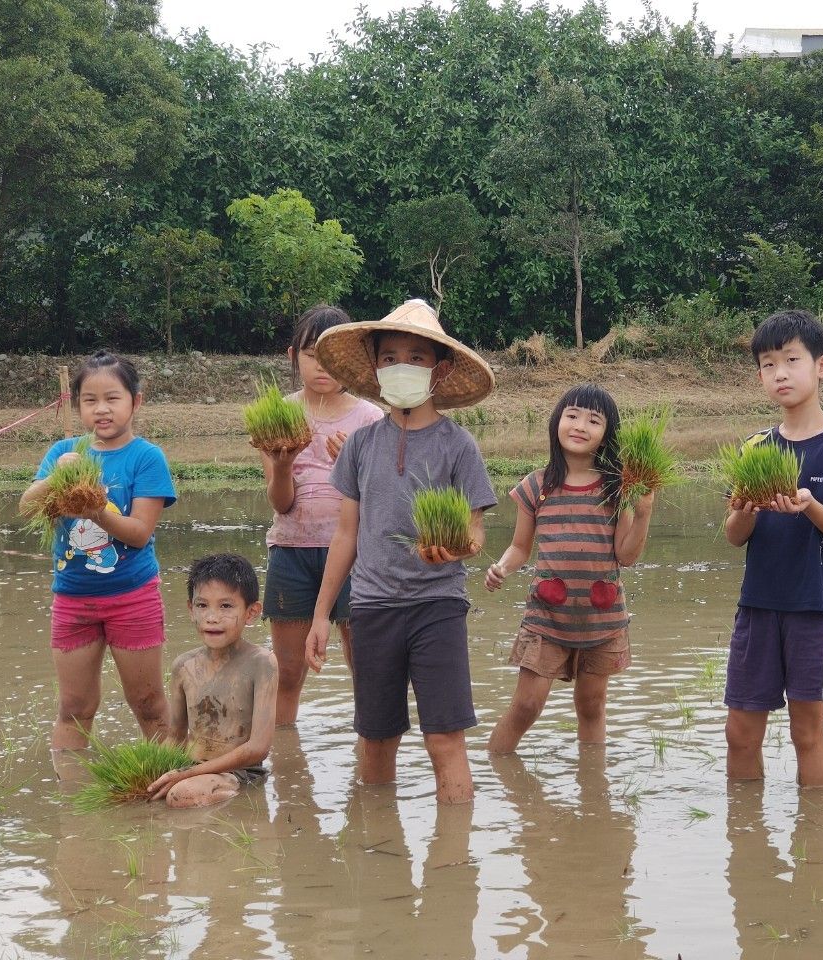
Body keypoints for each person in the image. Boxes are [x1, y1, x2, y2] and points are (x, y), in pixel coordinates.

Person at [305, 299, 497, 804]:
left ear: (441, 368)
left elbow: (476, 535)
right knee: (376, 737)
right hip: (372, 607)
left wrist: (455, 548)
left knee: (444, 738)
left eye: (415, 357)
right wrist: (322, 614)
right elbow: (346, 535)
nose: (400, 367)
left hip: (438, 606)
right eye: (389, 358)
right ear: (375, 368)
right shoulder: (361, 445)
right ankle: (377, 847)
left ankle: (454, 863)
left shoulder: (459, 446)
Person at [723, 310, 823, 787]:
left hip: (814, 606)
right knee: (739, 732)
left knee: (808, 732)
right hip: (757, 605)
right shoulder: (753, 448)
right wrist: (746, 508)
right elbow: (734, 534)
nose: (779, 373)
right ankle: (745, 838)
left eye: (791, 360)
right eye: (767, 364)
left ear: (822, 366)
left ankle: (814, 848)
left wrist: (809, 505)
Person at [20, 351, 176, 758]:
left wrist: (96, 510)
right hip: (72, 598)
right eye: (90, 400)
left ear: (135, 402)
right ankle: (71, 805)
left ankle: (174, 784)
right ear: (78, 406)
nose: (102, 409)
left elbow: (140, 534)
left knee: (148, 704)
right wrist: (57, 476)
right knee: (74, 708)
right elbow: (26, 507)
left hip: (132, 595)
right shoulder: (63, 453)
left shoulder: (146, 458)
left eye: (113, 398)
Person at [485, 384, 655, 753]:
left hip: (602, 619)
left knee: (591, 706)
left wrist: (643, 513)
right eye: (572, 415)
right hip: (547, 618)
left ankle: (593, 790)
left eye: (594, 420)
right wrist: (501, 567)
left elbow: (625, 556)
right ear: (556, 422)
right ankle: (496, 767)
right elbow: (519, 547)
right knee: (527, 705)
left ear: (607, 434)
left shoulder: (617, 489)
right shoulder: (536, 486)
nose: (580, 425)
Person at [260, 304, 383, 725]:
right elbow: (281, 504)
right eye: (312, 354)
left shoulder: (370, 419)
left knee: (361, 665)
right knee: (289, 672)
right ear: (294, 356)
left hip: (354, 554)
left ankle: (369, 756)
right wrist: (281, 463)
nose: (322, 365)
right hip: (292, 550)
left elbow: (380, 501)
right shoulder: (280, 413)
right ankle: (283, 757)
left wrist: (351, 463)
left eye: (333, 356)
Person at [148, 554, 277, 807]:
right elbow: (175, 737)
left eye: (226, 606)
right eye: (202, 605)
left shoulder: (261, 663)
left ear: (252, 612)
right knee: (151, 794)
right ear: (190, 609)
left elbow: (258, 748)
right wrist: (147, 772)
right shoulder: (183, 667)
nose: (212, 617)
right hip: (192, 768)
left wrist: (188, 775)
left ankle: (238, 807)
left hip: (241, 772)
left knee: (180, 795)